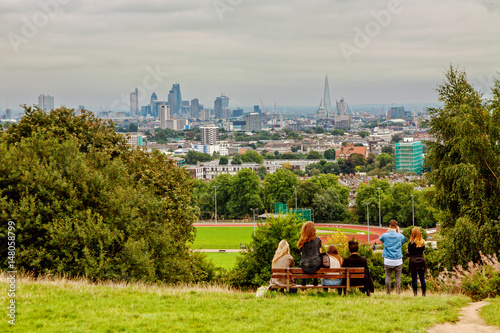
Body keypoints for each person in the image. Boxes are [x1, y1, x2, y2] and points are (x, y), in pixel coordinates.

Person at [379, 220, 407, 295]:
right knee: (397, 277)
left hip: (388, 259)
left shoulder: (385, 235)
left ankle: (388, 292)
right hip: (397, 259)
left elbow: (380, 239)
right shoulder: (400, 236)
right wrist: (399, 232)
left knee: (388, 277)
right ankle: (397, 292)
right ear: (397, 226)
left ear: (389, 226)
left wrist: (387, 232)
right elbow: (404, 240)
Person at [408, 227, 427, 296]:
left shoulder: (411, 243)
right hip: (421, 260)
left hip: (413, 261)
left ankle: (415, 293)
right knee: (422, 278)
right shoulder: (423, 242)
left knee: (414, 279)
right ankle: (424, 293)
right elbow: (423, 251)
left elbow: (409, 252)